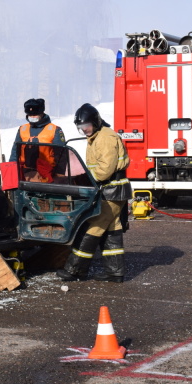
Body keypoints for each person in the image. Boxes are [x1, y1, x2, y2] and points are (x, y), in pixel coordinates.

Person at [57, 103, 132, 283]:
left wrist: (87, 179)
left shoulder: (105, 138)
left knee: (93, 227)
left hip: (111, 190)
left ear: (96, 122)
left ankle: (75, 270)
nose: (85, 131)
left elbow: (105, 170)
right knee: (112, 229)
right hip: (110, 189)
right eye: (81, 128)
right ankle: (115, 272)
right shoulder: (97, 136)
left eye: (87, 126)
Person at [9, 98, 67, 182]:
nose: (32, 117)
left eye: (35, 115)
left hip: (47, 173)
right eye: (30, 115)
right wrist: (11, 169)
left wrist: (59, 175)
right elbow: (15, 151)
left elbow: (61, 155)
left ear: (42, 113)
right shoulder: (22, 129)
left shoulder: (55, 130)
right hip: (25, 173)